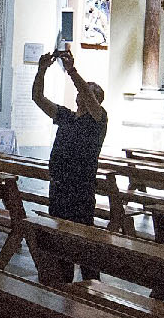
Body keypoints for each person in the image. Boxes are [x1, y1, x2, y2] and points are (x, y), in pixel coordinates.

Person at [32, 49, 108, 227]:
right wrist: (41, 70)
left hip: (80, 187)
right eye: (83, 90)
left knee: (78, 235)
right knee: (57, 233)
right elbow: (38, 98)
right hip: (59, 184)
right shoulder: (66, 116)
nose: (83, 93)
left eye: (89, 92)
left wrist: (71, 70)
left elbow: (88, 96)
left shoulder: (98, 119)